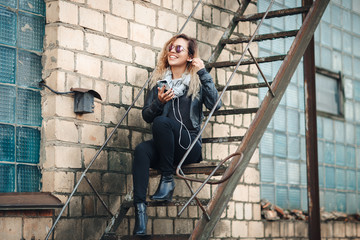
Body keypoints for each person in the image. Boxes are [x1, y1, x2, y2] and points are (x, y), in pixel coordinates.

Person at [132, 34, 221, 235]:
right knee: (141, 150)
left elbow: (216, 105)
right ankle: (140, 214)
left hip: (189, 146)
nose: (172, 51)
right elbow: (146, 115)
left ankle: (167, 178)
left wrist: (204, 73)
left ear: (190, 56)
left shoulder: (197, 82)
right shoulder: (160, 84)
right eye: (170, 47)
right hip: (167, 148)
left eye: (179, 49)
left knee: (162, 122)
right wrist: (159, 102)